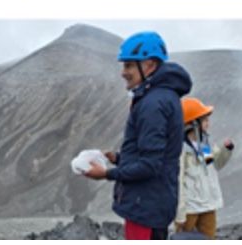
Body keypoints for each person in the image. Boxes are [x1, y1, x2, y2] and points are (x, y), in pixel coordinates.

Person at [83, 30, 192, 240]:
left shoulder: (153, 104)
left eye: (129, 65)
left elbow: (150, 165)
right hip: (152, 202)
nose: (123, 72)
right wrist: (119, 158)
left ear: (149, 65)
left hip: (145, 207)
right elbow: (154, 157)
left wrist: (106, 174)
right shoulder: (162, 97)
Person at [174, 97, 234, 238]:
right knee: (184, 239)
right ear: (193, 123)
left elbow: (213, 165)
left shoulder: (204, 144)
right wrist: (180, 213)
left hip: (208, 205)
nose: (208, 124)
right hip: (190, 209)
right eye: (205, 120)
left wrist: (226, 150)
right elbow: (178, 182)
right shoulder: (181, 150)